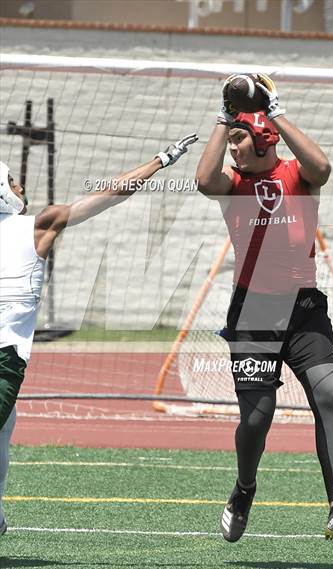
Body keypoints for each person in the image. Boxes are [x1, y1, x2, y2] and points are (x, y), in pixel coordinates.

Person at [0, 132, 198, 535]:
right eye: (13, 182)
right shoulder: (37, 226)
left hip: (6, 356)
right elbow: (108, 194)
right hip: (5, 358)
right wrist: (160, 159)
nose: (21, 187)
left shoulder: (36, 225)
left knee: (6, 428)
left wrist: (159, 161)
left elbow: (109, 194)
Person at [196, 74, 333, 543]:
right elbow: (203, 179)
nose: (232, 148)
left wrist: (276, 112)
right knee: (257, 417)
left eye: (237, 139)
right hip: (253, 311)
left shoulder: (295, 175)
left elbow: (323, 166)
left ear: (264, 136)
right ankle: (244, 487)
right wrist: (224, 118)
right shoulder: (233, 185)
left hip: (305, 309)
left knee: (328, 397)